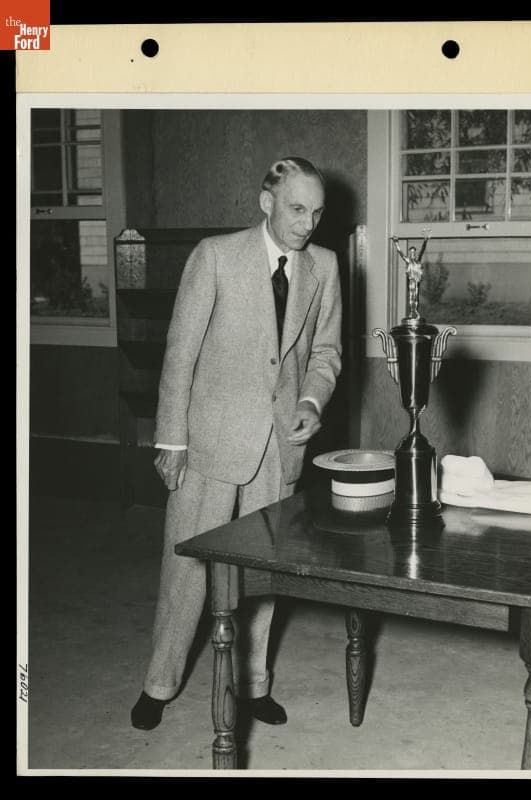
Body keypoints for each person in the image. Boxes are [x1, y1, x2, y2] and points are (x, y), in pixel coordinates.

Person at [131, 157, 342, 730]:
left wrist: (311, 402)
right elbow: (180, 355)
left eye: (317, 212)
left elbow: (324, 355)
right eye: (298, 209)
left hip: (279, 449)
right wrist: (171, 441)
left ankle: (252, 686)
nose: (308, 223)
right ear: (266, 201)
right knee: (188, 572)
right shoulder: (215, 256)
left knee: (263, 574)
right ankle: (160, 682)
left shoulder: (324, 265)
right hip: (210, 445)